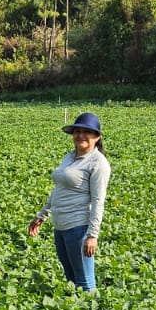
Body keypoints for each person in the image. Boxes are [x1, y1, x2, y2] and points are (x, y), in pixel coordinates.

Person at [28, 111, 112, 290]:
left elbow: (98, 201)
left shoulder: (98, 163)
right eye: (77, 131)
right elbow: (60, 188)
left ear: (97, 137)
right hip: (61, 226)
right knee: (70, 278)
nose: (81, 136)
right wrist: (42, 215)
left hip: (79, 227)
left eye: (87, 132)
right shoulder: (70, 156)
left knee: (84, 281)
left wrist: (92, 235)